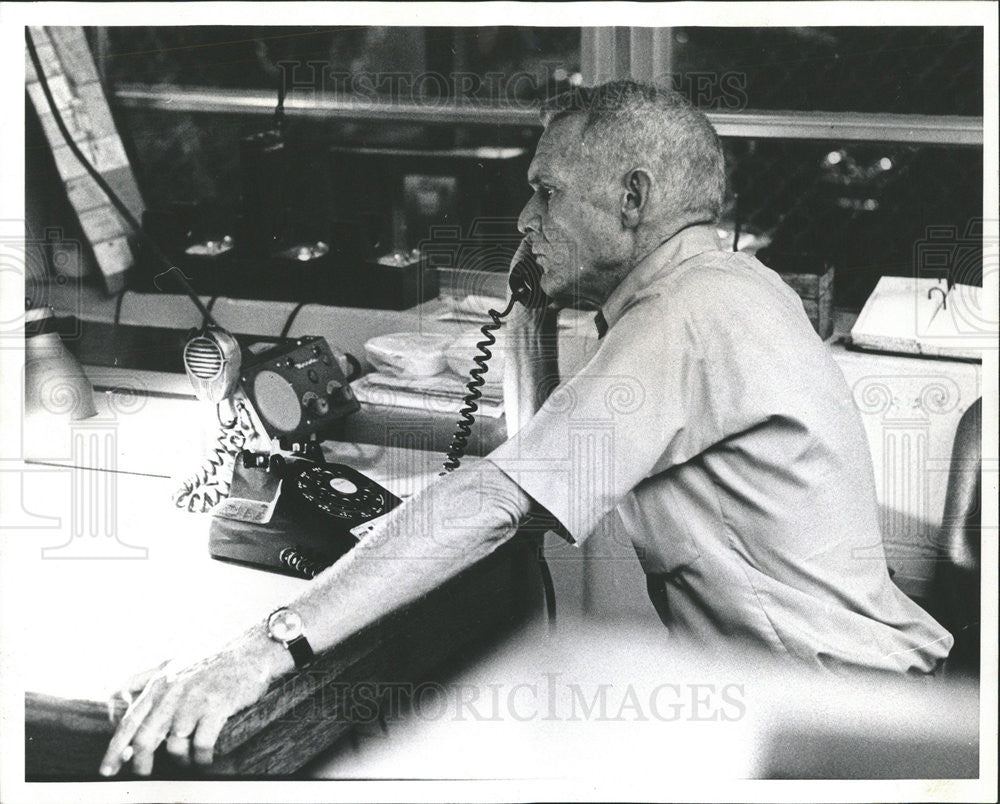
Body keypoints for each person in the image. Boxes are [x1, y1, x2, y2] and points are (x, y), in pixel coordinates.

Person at [100, 80, 952, 777]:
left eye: (544, 192)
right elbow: (538, 458)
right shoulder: (722, 286)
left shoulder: (688, 319)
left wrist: (265, 644)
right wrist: (532, 314)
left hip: (839, 728)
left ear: (633, 199)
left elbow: (498, 495)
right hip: (810, 694)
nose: (522, 219)